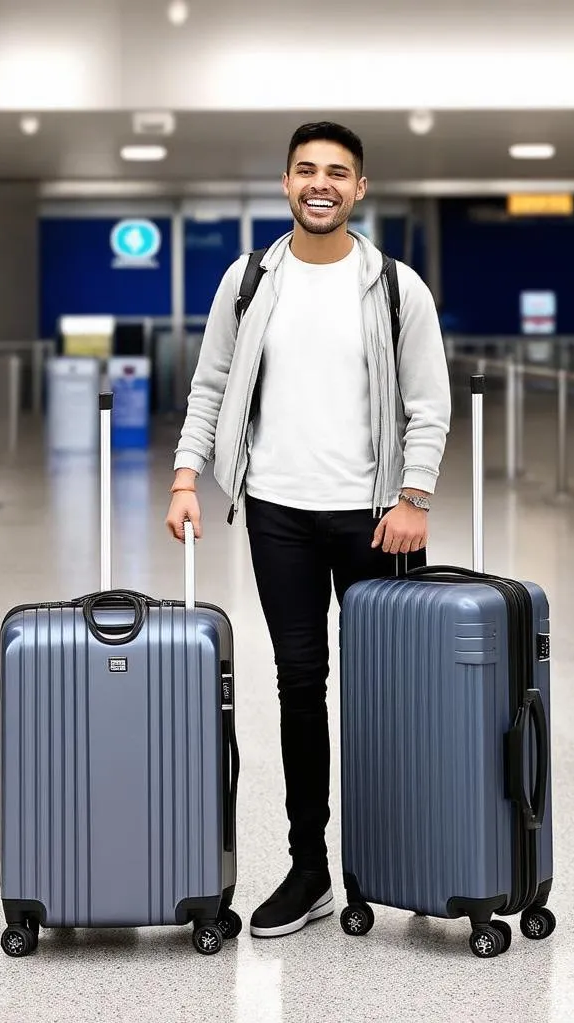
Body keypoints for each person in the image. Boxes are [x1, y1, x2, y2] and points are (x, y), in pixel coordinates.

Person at [164, 122, 451, 939]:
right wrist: (187, 477)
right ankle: (309, 867)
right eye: (305, 171)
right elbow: (211, 385)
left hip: (378, 520)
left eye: (337, 173)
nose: (319, 184)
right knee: (301, 688)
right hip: (279, 515)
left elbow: (427, 405)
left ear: (360, 189)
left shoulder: (395, 286)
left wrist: (414, 497)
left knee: (390, 692)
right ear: (286, 184)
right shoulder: (251, 280)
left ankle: (397, 857)